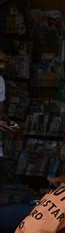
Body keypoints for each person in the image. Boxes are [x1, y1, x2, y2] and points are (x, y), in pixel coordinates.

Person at [0, 36, 19, 188]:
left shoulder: (0, 81)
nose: (2, 66)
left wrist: (10, 123)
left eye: (6, 63)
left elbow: (0, 113)